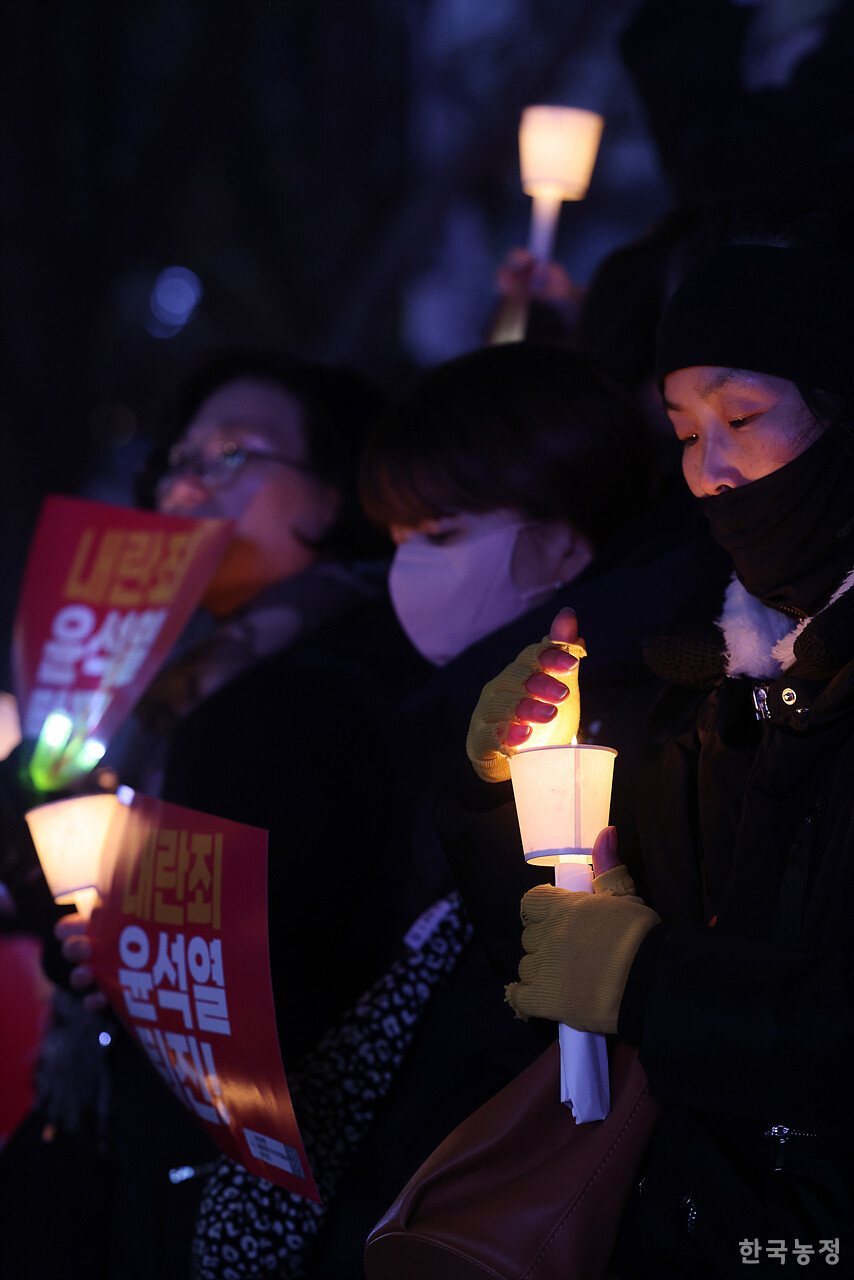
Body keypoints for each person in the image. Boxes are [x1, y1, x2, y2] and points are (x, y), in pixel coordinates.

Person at [463, 233, 854, 1275]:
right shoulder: (697, 672)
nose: (707, 468)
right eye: (682, 429)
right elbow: (561, 947)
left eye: (738, 417)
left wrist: (650, 979)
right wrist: (506, 798)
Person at [302, 340, 731, 1278]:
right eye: (397, 540)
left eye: (443, 533)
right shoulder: (441, 704)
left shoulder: (659, 694)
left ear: (563, 535)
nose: (408, 568)